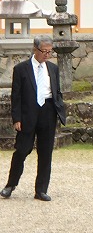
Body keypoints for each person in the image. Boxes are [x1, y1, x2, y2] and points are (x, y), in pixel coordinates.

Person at [1, 35, 66, 201]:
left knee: (46, 153)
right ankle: (10, 185)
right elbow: (16, 96)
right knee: (22, 150)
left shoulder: (53, 68)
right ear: (35, 49)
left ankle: (41, 190)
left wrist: (58, 108)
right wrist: (17, 118)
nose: (47, 55)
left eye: (50, 52)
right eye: (44, 51)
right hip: (28, 113)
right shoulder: (21, 69)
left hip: (48, 111)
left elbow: (56, 90)